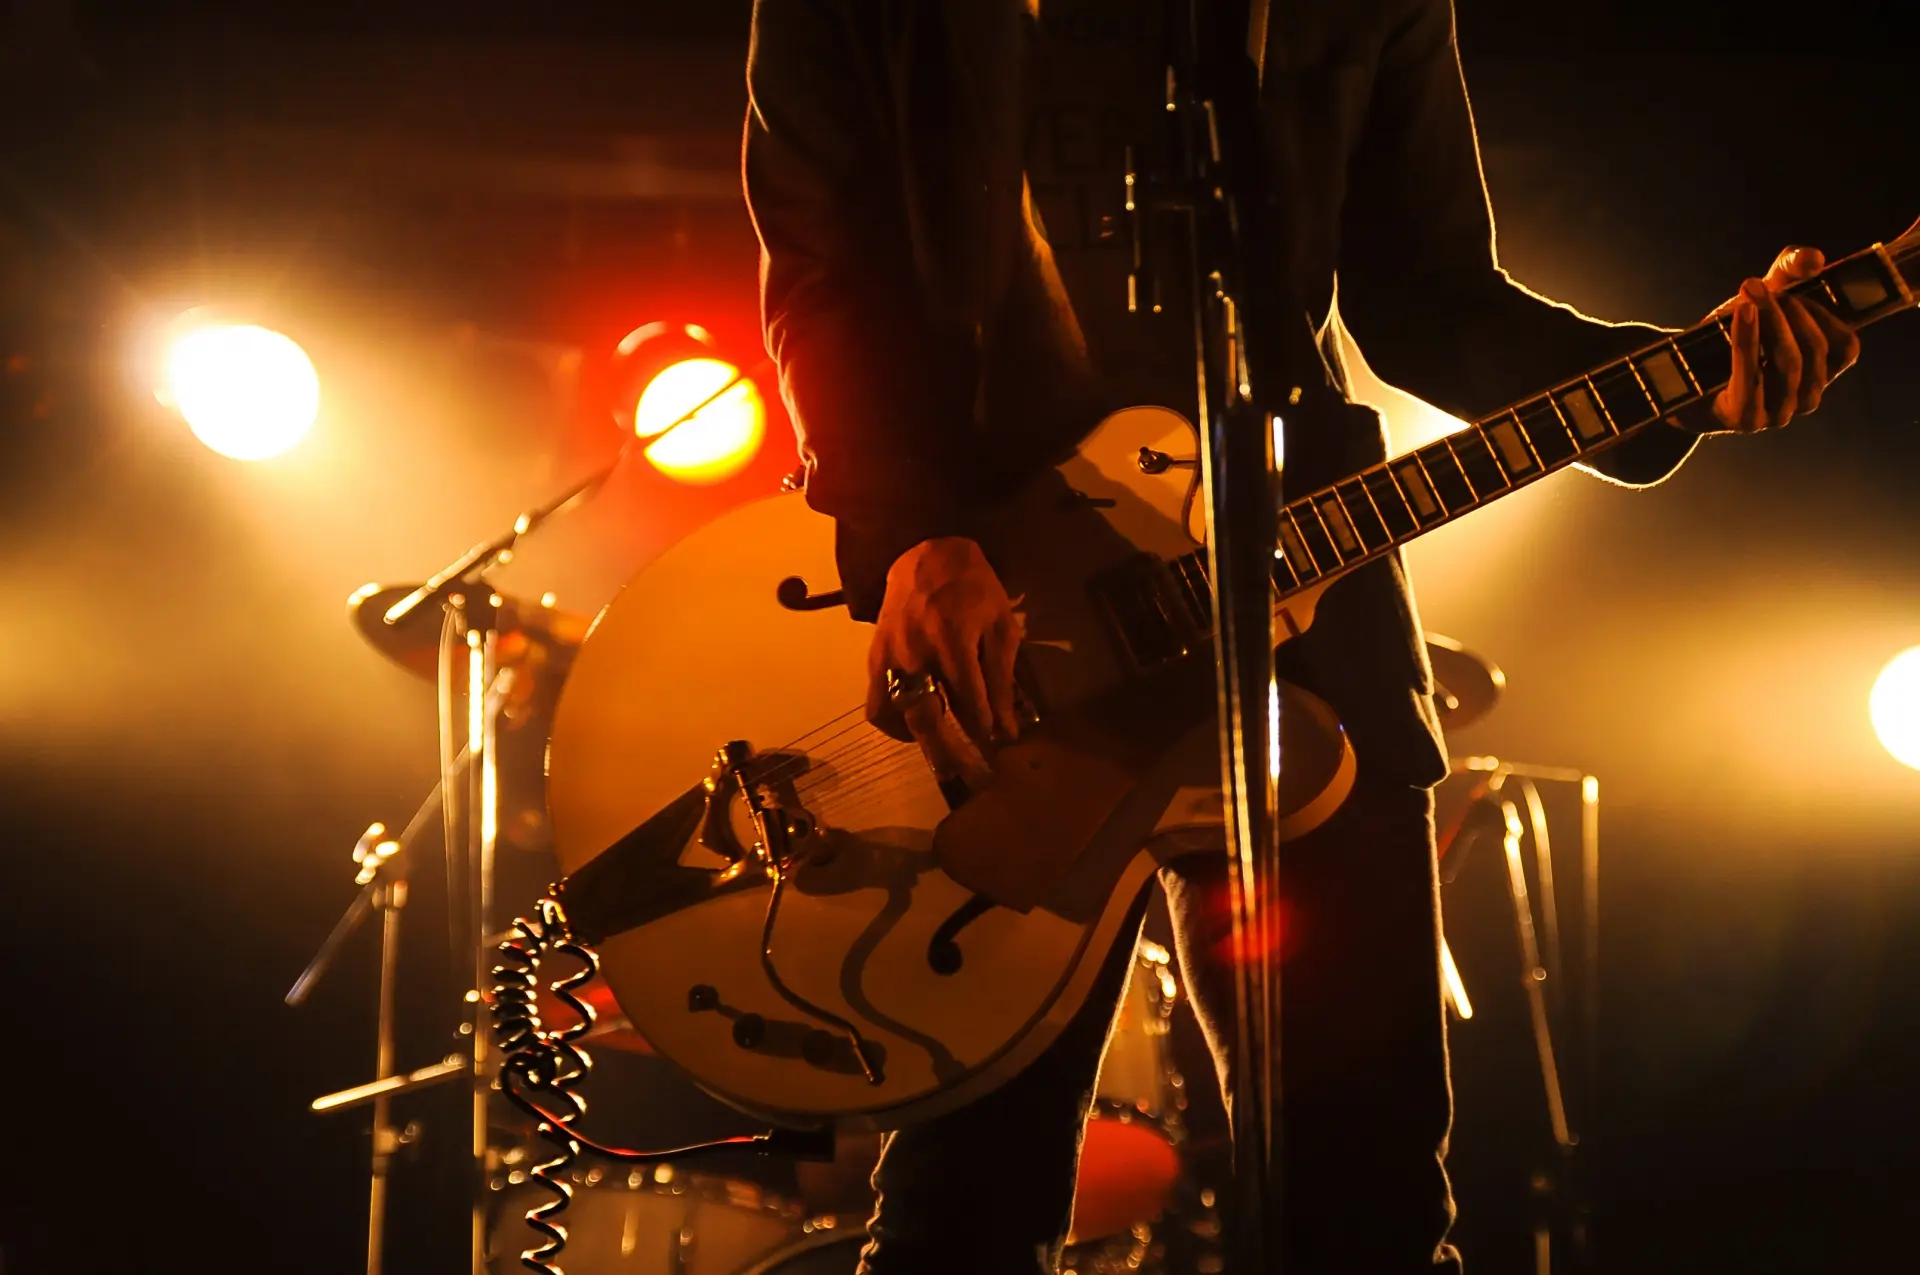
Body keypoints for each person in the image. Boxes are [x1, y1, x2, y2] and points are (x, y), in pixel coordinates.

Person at [741, 1, 1860, 1271]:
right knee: (967, 1210)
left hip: (1297, 601)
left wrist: (1680, 377)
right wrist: (910, 534)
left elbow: (1431, 294)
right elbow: (823, 267)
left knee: (1364, 1203)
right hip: (997, 631)